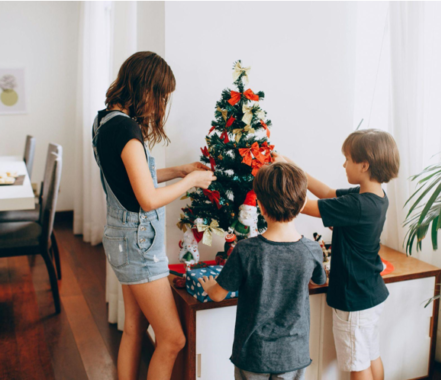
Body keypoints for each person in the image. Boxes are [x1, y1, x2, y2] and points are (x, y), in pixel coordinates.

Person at [92, 51, 216, 380]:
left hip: (122, 239)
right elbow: (147, 199)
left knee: (134, 328)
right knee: (173, 339)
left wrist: (179, 170)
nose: (161, 105)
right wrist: (191, 181)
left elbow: (133, 177)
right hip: (139, 246)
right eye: (161, 96)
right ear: (146, 90)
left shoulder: (105, 121)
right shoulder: (127, 132)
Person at [274, 129, 400, 380]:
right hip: (371, 292)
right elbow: (328, 193)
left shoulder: (358, 205)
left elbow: (306, 206)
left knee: (358, 364)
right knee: (371, 355)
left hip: (354, 299)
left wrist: (278, 180)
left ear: (364, 165)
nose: (344, 164)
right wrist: (292, 166)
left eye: (348, 158)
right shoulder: (374, 197)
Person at [199, 162, 327, 380]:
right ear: (303, 202)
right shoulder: (312, 249)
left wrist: (209, 285)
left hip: (253, 354)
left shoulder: (246, 250)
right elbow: (319, 281)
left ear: (259, 204)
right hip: (293, 354)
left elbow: (218, 294)